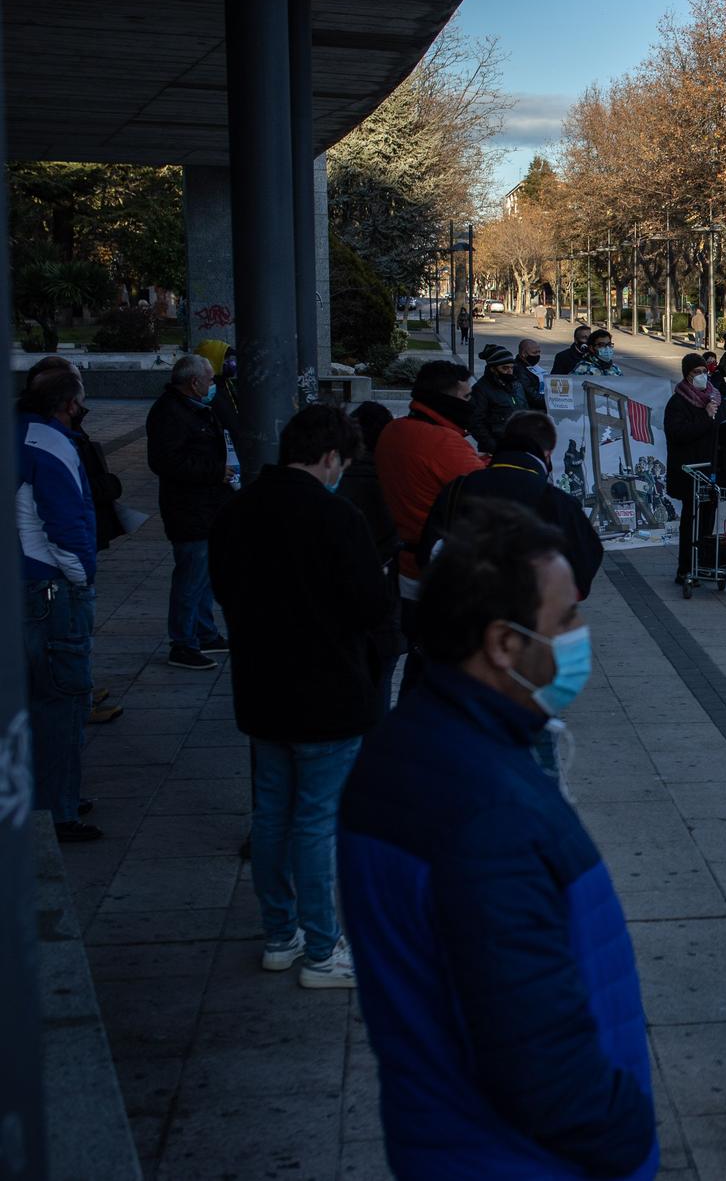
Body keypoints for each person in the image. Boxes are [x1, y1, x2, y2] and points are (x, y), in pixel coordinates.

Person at [339, 501, 659, 1180]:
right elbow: (538, 1063)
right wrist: (630, 1135)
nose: (579, 633)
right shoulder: (483, 816)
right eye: (565, 618)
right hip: (524, 1158)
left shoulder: (420, 741)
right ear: (503, 643)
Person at [210, 405, 390, 989]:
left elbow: (223, 590)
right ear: (332, 458)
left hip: (261, 688)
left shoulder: (237, 510)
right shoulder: (336, 516)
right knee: (315, 822)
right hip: (328, 691)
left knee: (270, 817)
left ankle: (279, 936)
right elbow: (370, 604)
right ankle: (321, 950)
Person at [18, 370, 100, 842]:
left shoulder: (19, 437)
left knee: (32, 698)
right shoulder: (49, 445)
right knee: (64, 699)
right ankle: (59, 806)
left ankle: (46, 791)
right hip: (49, 589)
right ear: (67, 405)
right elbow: (64, 525)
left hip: (25, 586)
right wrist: (81, 577)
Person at [375, 361, 486, 698]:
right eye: (466, 396)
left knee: (421, 656)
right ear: (445, 398)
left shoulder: (395, 431)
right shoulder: (441, 442)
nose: (471, 404)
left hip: (406, 563)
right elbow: (487, 492)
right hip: (440, 570)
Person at [421, 410, 605, 600]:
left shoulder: (457, 488)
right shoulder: (559, 501)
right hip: (529, 616)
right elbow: (584, 563)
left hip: (464, 613)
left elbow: (428, 551)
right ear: (548, 452)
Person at [146, 353, 231, 670]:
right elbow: (166, 462)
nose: (213, 385)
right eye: (209, 379)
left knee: (204, 575)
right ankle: (182, 642)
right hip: (188, 508)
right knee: (190, 576)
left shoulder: (196, 408)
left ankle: (205, 633)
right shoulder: (170, 413)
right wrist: (214, 471)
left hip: (206, 506)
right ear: (194, 383)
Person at [340, 401, 403, 723]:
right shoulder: (387, 480)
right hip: (380, 597)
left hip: (341, 601)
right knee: (381, 671)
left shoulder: (338, 481)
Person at [666, 353, 722, 586]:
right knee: (690, 519)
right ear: (687, 375)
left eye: (703, 371)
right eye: (695, 373)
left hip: (710, 468)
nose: (701, 376)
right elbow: (678, 434)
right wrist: (706, 418)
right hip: (688, 470)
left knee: (708, 517)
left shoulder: (714, 397)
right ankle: (686, 568)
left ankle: (706, 564)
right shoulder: (678, 401)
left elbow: (721, 427)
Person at [468, 343, 527, 454]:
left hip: (520, 446)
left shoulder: (516, 385)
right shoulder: (481, 389)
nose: (509, 371)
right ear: (493, 369)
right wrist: (495, 448)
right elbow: (476, 423)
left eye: (511, 368)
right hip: (496, 450)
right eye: (505, 368)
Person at [193, 339, 243, 446]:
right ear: (212, 361)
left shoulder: (225, 381)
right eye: (225, 359)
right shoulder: (209, 389)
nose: (230, 362)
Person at [517, 338, 549, 413]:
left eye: (539, 352)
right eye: (534, 353)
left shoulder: (532, 365)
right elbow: (531, 396)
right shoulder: (519, 370)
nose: (538, 355)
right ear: (524, 354)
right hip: (532, 410)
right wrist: (551, 401)